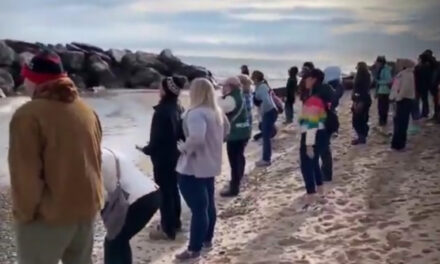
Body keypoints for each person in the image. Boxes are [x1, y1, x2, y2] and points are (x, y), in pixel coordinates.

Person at [9, 50, 103, 264]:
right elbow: (96, 160)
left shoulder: (28, 115)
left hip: (49, 218)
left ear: (36, 80)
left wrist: (24, 215)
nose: (24, 82)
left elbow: (25, 175)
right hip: (86, 212)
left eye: (27, 77)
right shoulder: (87, 111)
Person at [175, 78, 230, 260]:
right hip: (210, 164)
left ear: (195, 92)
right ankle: (207, 240)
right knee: (208, 206)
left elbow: (197, 138)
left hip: (193, 167)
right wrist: (212, 147)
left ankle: (194, 249)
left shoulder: (196, 113)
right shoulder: (217, 112)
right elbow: (226, 132)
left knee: (199, 208)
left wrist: (183, 148)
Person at [137, 76, 186, 240]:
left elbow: (157, 139)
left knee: (165, 192)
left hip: (163, 158)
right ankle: (175, 223)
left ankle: (167, 228)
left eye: (161, 87)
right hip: (176, 155)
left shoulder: (162, 112)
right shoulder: (178, 108)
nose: (159, 89)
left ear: (166, 90)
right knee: (173, 190)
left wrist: (146, 149)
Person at [102, 148, 160, 264]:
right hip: (153, 194)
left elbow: (105, 194)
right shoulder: (110, 151)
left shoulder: (99, 159)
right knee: (120, 239)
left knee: (113, 242)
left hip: (138, 201)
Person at [299, 69, 331, 205]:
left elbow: (311, 123)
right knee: (314, 162)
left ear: (313, 79)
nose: (304, 81)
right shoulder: (323, 95)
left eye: (306, 78)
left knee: (306, 165)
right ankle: (320, 189)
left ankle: (311, 196)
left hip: (313, 134)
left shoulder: (313, 100)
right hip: (323, 134)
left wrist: (308, 144)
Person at [219, 77, 252, 197]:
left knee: (234, 161)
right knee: (239, 158)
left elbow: (217, 107)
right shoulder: (240, 95)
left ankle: (234, 187)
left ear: (230, 86)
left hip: (235, 134)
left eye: (224, 86)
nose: (222, 88)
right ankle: (238, 180)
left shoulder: (231, 99)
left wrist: (220, 96)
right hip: (244, 132)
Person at [252, 70, 278, 167]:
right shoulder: (262, 86)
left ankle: (266, 159)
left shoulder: (262, 87)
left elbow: (266, 102)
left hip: (269, 112)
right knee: (266, 132)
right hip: (271, 112)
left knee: (266, 137)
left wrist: (263, 113)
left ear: (256, 79)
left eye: (253, 78)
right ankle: (266, 157)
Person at [390, 61, 416, 150]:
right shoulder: (403, 74)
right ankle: (396, 143)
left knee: (401, 123)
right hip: (401, 100)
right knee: (399, 122)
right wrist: (393, 97)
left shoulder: (407, 75)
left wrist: (397, 98)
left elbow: (404, 89)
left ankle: (399, 144)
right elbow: (395, 87)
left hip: (403, 101)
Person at [351, 62, 372, 145]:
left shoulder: (360, 77)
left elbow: (359, 90)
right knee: (363, 119)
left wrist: (357, 101)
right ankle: (363, 136)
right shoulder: (367, 76)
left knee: (357, 120)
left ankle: (361, 137)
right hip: (365, 99)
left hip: (360, 100)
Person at [374, 56, 393, 131]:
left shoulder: (386, 70)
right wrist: (376, 92)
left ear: (381, 62)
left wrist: (379, 82)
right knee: (380, 107)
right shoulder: (380, 69)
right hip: (380, 91)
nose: (376, 63)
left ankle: (383, 121)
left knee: (383, 107)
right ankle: (381, 121)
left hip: (385, 91)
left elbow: (389, 80)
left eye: (377, 62)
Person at [414, 53, 434, 119]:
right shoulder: (426, 67)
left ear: (421, 60)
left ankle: (419, 114)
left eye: (419, 59)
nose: (418, 60)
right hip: (423, 87)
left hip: (419, 86)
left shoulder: (419, 67)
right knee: (424, 100)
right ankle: (424, 113)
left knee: (418, 100)